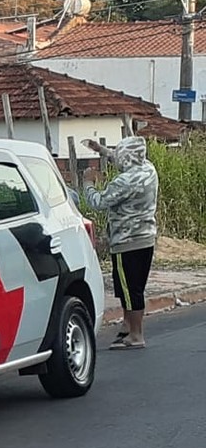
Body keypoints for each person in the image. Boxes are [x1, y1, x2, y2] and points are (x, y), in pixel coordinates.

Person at [81, 136, 159, 350]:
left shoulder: (125, 181)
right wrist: (101, 150)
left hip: (126, 242)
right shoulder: (148, 170)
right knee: (133, 287)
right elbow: (121, 158)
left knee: (129, 290)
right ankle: (127, 325)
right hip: (145, 238)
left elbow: (98, 202)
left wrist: (88, 182)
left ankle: (136, 335)